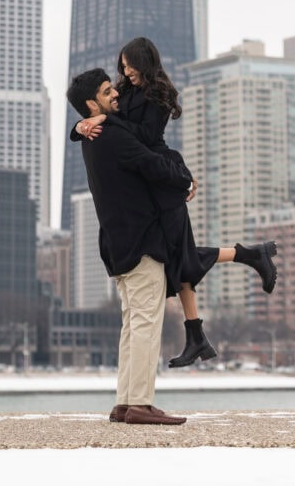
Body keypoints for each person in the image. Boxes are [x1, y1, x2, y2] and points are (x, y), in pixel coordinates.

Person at [72, 36, 278, 368]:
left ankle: (208, 318)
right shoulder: (124, 90)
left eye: (129, 66)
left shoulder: (160, 95)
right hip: (149, 179)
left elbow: (146, 138)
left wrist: (106, 121)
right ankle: (246, 262)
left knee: (179, 258)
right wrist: (82, 124)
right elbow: (99, 107)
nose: (125, 73)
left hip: (164, 178)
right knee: (179, 258)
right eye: (122, 68)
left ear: (143, 62)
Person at [66, 67, 192, 426]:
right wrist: (185, 177)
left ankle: (124, 402)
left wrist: (76, 128)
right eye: (107, 92)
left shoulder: (92, 137)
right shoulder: (112, 135)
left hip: (118, 245)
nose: (115, 94)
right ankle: (140, 403)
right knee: (146, 324)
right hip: (140, 243)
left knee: (132, 324)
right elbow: (151, 164)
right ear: (92, 105)